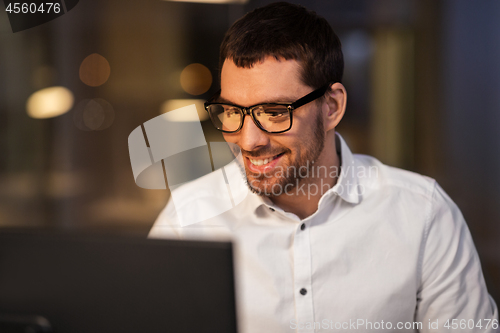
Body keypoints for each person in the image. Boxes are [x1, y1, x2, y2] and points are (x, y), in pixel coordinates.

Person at [149, 2, 499, 332]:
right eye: (233, 113)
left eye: (274, 113)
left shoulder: (423, 215)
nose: (248, 140)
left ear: (331, 107)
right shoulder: (187, 218)